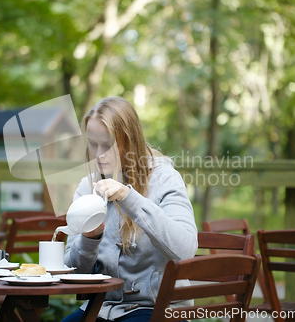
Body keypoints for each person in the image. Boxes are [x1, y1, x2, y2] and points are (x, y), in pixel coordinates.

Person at [62, 96, 198, 322]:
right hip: (102, 308)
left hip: (157, 309)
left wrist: (129, 198)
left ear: (130, 141)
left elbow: (185, 250)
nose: (98, 155)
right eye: (93, 144)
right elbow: (73, 273)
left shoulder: (164, 179)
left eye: (107, 145)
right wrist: (89, 239)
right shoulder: (88, 187)